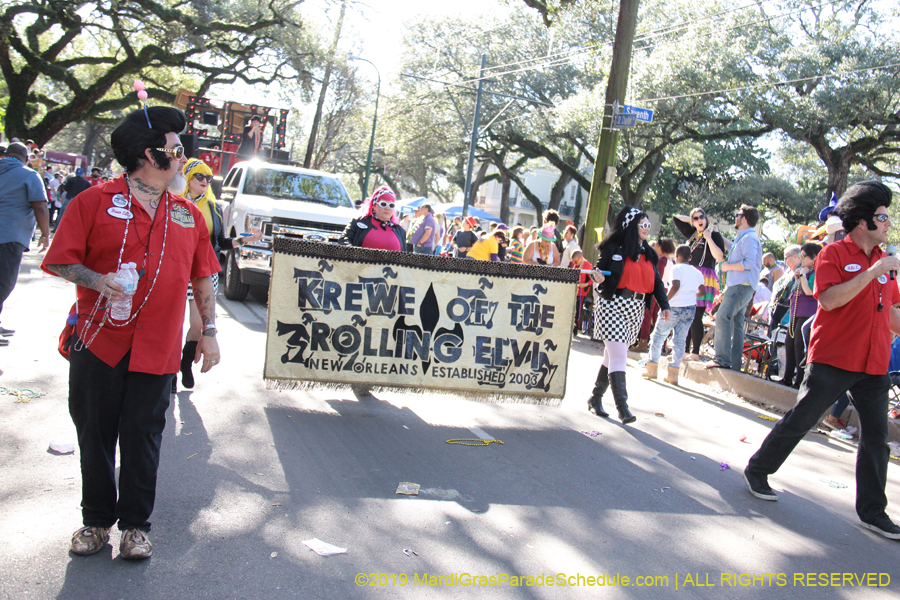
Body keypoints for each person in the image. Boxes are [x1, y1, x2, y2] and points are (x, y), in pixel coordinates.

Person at [42, 106, 221, 560]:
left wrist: (209, 331)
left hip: (158, 349)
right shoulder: (94, 201)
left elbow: (204, 277)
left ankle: (136, 527)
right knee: (95, 434)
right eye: (176, 151)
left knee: (144, 435)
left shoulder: (188, 215)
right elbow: (59, 259)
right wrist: (97, 280)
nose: (183, 159)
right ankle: (96, 522)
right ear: (150, 154)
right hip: (99, 340)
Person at [743, 181, 900, 541]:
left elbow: (891, 311)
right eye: (883, 216)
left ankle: (873, 512)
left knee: (876, 437)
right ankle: (758, 470)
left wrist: (881, 275)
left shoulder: (883, 261)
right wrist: (872, 274)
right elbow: (829, 300)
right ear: (863, 222)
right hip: (834, 357)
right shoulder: (834, 254)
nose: (889, 223)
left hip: (874, 363)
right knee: (803, 419)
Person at [177, 159, 262, 390]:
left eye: (208, 178)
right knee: (173, 326)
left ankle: (184, 365)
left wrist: (247, 239)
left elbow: (221, 242)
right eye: (199, 177)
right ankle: (168, 375)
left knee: (197, 325)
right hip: (177, 269)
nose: (205, 182)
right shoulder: (175, 202)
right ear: (187, 178)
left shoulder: (214, 207)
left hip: (203, 270)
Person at [588, 206, 670, 424]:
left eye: (648, 225)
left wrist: (665, 305)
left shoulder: (649, 253)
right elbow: (598, 271)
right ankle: (622, 408)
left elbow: (658, 283)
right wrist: (598, 278)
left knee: (611, 356)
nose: (646, 229)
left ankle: (595, 398)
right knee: (618, 356)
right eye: (642, 225)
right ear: (632, 226)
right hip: (612, 304)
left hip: (635, 308)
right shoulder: (613, 247)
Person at [0, 142, 51, 345]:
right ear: (26, 157)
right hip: (9, 236)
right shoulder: (29, 175)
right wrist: (45, 234)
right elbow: (39, 205)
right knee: (3, 283)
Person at [706, 205, 762, 370]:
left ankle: (722, 360)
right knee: (737, 323)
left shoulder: (750, 238)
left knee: (723, 317)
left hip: (740, 286)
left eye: (738, 215)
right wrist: (717, 235)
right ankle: (735, 365)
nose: (735, 217)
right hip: (742, 286)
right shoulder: (745, 237)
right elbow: (732, 249)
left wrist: (726, 267)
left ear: (744, 218)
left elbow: (749, 263)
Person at [642, 244, 705, 385]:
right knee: (680, 341)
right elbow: (702, 291)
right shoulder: (697, 272)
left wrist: (665, 301)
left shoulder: (675, 268)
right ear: (690, 257)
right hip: (690, 309)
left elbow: (675, 286)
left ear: (676, 256)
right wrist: (690, 294)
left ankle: (651, 368)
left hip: (674, 307)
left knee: (658, 335)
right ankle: (673, 374)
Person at [672, 208, 726, 361]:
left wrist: (708, 237)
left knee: (696, 315)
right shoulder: (692, 234)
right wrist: (692, 221)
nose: (699, 219)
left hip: (704, 278)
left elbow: (720, 256)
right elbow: (676, 217)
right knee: (687, 313)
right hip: (689, 275)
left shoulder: (714, 234)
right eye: (695, 218)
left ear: (706, 218)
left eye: (702, 217)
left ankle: (695, 353)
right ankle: (684, 351)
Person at [781, 242, 821, 388]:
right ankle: (787, 376)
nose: (802, 259)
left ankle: (799, 380)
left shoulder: (816, 272)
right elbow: (796, 291)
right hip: (796, 312)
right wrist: (798, 277)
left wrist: (803, 276)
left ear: (814, 257)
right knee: (789, 343)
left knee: (800, 346)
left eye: (804, 256)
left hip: (807, 312)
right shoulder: (805, 271)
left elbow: (810, 291)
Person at [339, 185, 407, 251]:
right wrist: (354, 256)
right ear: (374, 205)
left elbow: (404, 258)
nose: (387, 208)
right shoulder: (357, 223)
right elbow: (343, 241)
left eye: (391, 205)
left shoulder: (400, 231)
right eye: (383, 204)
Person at [570, 249, 592, 334]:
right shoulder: (573, 265)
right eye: (573, 262)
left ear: (581, 258)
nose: (574, 263)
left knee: (577, 310)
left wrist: (585, 284)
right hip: (572, 291)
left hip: (581, 292)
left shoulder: (588, 265)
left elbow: (592, 280)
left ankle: (575, 329)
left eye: (576, 261)